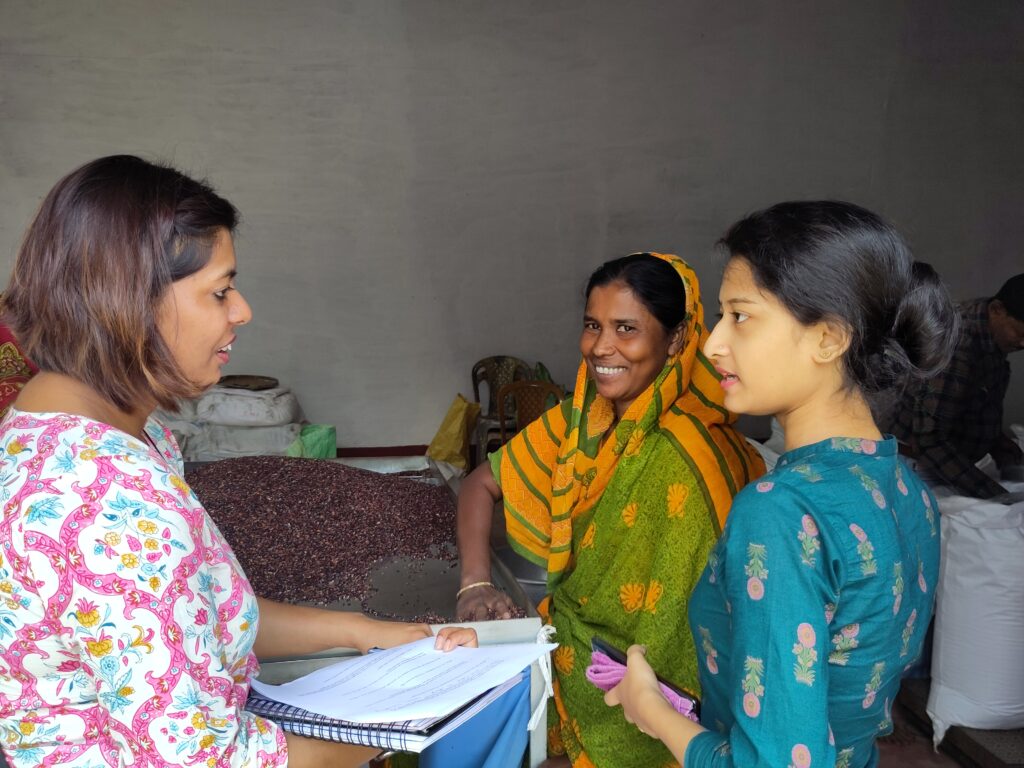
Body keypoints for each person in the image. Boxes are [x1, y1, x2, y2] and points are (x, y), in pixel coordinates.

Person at [0, 155, 476, 768]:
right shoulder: (108, 508)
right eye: (220, 291)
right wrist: (413, 722)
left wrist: (363, 630)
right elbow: (210, 762)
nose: (242, 310)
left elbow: (204, 617)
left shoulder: (77, 432)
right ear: (125, 302)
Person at [605, 201, 957, 768]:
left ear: (829, 338)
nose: (714, 343)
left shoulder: (781, 511)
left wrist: (651, 709)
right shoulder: (908, 489)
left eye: (740, 316)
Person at [456, 253, 764, 767]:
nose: (602, 347)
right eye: (593, 326)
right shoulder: (581, 420)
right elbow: (479, 484)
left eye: (627, 328)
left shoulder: (688, 456)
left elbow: (677, 637)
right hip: (573, 648)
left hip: (643, 695)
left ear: (678, 339)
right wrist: (475, 582)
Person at [886, 272, 1024, 498]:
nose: (1022, 343)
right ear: (997, 309)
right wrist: (993, 494)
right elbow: (929, 439)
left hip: (947, 459)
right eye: (1020, 333)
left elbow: (976, 402)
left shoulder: (990, 333)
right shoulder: (958, 345)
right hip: (918, 463)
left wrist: (1000, 446)